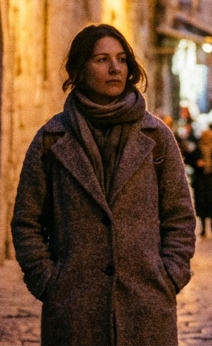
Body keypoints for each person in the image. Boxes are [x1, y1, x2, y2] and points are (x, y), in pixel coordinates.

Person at [12, 23, 196, 346]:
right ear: (80, 70)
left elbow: (179, 215)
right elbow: (26, 221)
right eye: (101, 60)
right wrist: (48, 282)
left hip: (146, 309)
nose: (115, 68)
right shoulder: (52, 140)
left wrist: (169, 275)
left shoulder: (156, 138)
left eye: (122, 59)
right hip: (73, 312)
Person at [190, 128, 212, 237]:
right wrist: (197, 163)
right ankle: (204, 226)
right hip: (201, 179)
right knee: (202, 201)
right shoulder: (198, 148)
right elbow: (191, 159)